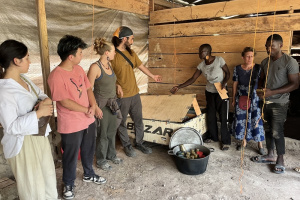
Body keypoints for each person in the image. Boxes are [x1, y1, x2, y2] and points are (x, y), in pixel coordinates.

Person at [48, 35, 106, 199]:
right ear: (70, 56)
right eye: (80, 53)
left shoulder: (79, 69)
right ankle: (68, 183)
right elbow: (64, 101)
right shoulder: (56, 76)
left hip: (88, 119)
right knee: (71, 155)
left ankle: (88, 173)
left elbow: (88, 89)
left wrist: (93, 106)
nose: (82, 56)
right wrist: (86, 109)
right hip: (71, 123)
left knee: (88, 150)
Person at [0, 40, 58, 199]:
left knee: (48, 180)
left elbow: (42, 94)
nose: (29, 61)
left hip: (39, 136)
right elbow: (11, 127)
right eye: (27, 58)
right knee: (33, 188)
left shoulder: (25, 80)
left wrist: (44, 102)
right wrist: (38, 114)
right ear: (16, 61)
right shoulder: (4, 91)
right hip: (23, 144)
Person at [111, 26, 162, 157]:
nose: (133, 41)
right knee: (121, 123)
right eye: (131, 38)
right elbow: (107, 74)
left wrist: (153, 76)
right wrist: (116, 84)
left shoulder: (131, 53)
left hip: (135, 94)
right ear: (124, 39)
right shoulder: (112, 55)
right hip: (121, 97)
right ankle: (127, 145)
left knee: (138, 120)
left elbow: (140, 66)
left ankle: (139, 143)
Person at [251, 34, 299, 174]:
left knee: (277, 131)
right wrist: (260, 89)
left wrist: (272, 92)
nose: (268, 49)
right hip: (265, 101)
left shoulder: (290, 62)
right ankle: (270, 154)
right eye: (266, 46)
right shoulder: (265, 62)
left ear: (280, 46)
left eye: (272, 46)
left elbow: (295, 84)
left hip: (280, 102)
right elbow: (262, 78)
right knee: (267, 129)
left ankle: (280, 159)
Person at [170, 43, 231, 150]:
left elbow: (228, 73)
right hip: (210, 92)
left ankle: (225, 141)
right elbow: (192, 79)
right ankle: (214, 137)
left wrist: (224, 83)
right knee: (211, 116)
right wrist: (179, 87)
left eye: (201, 51)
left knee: (223, 116)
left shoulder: (219, 60)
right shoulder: (201, 65)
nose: (199, 53)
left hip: (221, 91)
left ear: (207, 52)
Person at [87, 38, 123, 171]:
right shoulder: (95, 67)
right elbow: (88, 89)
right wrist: (94, 107)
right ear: (107, 52)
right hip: (101, 105)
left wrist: (117, 85)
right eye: (113, 51)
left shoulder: (109, 65)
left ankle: (111, 155)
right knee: (102, 134)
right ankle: (101, 160)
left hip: (112, 104)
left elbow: (110, 82)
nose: (115, 54)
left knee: (112, 132)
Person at [232, 47, 265, 155]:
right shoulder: (237, 68)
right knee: (242, 120)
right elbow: (235, 83)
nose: (250, 58)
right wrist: (233, 98)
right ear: (243, 57)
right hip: (241, 97)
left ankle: (260, 144)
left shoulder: (258, 68)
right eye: (247, 56)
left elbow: (262, 82)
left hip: (255, 97)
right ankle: (243, 142)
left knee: (256, 119)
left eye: (252, 56)